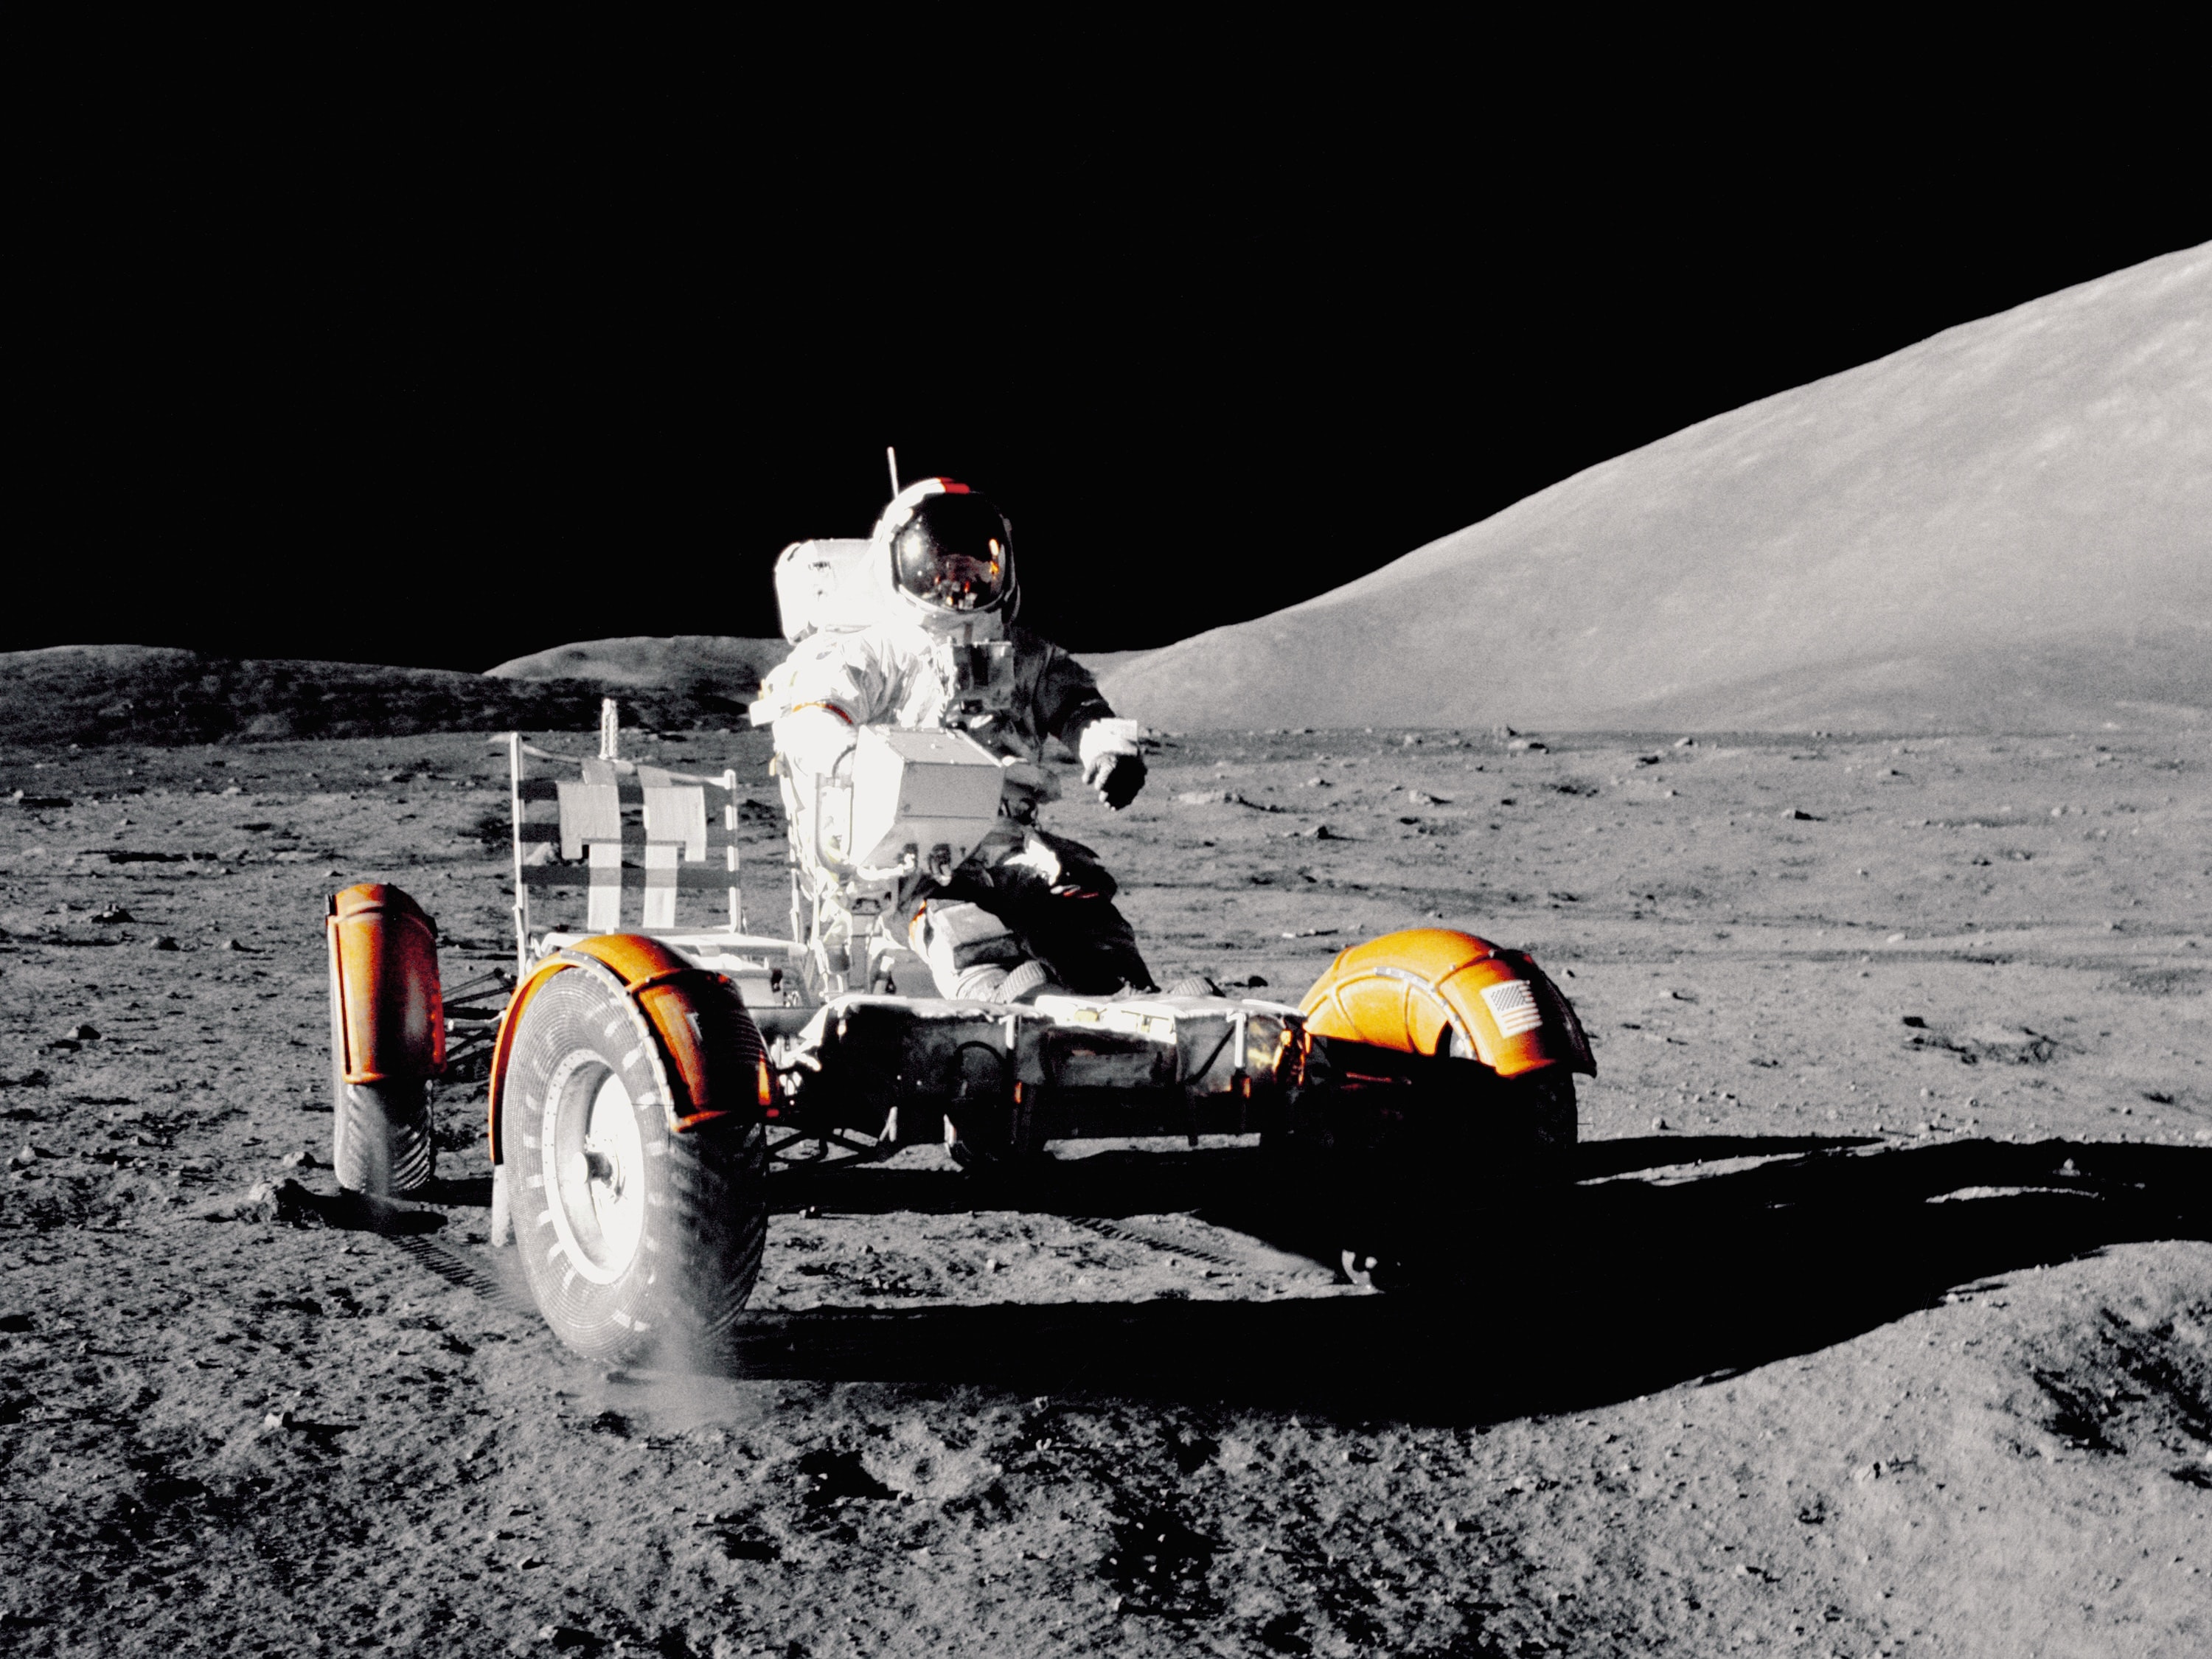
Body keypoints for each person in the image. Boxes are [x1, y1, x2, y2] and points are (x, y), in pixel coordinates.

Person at [771, 477, 1154, 1001]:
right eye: (941, 561)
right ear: (899, 565)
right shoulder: (877, 653)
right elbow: (816, 713)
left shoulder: (1026, 655)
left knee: (1080, 909)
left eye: (978, 560)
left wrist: (1108, 749)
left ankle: (1132, 999)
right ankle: (1005, 1001)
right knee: (967, 932)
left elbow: (1077, 706)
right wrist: (848, 757)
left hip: (1008, 843)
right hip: (911, 855)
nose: (961, 576)